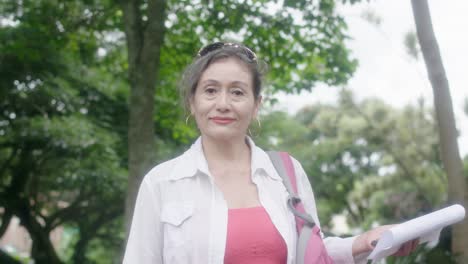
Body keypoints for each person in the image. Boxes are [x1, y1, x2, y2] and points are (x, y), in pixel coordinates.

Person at [123, 42, 418, 263]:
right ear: (193, 102)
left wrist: (363, 242)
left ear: (256, 105)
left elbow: (312, 253)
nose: (223, 103)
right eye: (210, 90)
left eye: (237, 92)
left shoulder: (287, 174)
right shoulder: (162, 183)